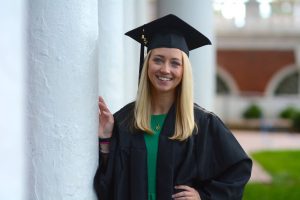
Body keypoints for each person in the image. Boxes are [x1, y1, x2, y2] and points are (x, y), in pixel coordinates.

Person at [94, 14, 252, 200]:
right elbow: (110, 181)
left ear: (184, 71)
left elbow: (237, 170)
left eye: (175, 63)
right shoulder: (124, 120)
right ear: (147, 64)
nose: (165, 69)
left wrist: (204, 196)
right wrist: (105, 140)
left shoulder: (202, 122)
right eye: (158, 60)